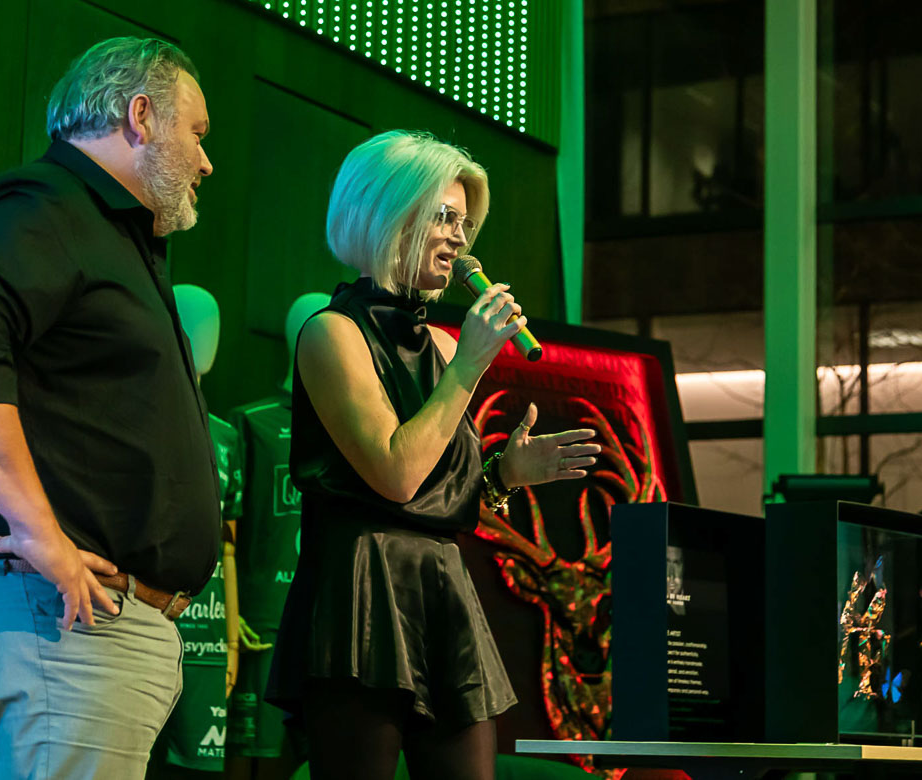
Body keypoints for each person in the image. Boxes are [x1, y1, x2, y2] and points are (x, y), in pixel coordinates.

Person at [0, 37, 217, 779]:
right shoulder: (42, 205)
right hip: (52, 620)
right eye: (197, 133)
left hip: (83, 630)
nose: (206, 162)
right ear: (140, 116)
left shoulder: (108, 235)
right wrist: (38, 531)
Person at [267, 130, 602, 780]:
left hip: (443, 587)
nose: (459, 238)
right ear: (389, 214)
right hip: (361, 590)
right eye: (444, 217)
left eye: (464, 222)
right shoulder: (332, 334)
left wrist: (504, 474)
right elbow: (395, 474)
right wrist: (471, 365)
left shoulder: (445, 346)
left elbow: (440, 495)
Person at [226, 293, 330, 779]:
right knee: (254, 757)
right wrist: (233, 612)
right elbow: (227, 529)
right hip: (262, 622)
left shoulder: (354, 429)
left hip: (329, 623)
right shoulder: (252, 422)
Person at [165, 284, 247, 773]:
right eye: (196, 322)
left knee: (196, 767)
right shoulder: (144, 425)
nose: (207, 335)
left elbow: (228, 548)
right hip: (151, 620)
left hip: (209, 629)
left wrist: (230, 640)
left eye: (213, 323)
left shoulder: (227, 437)